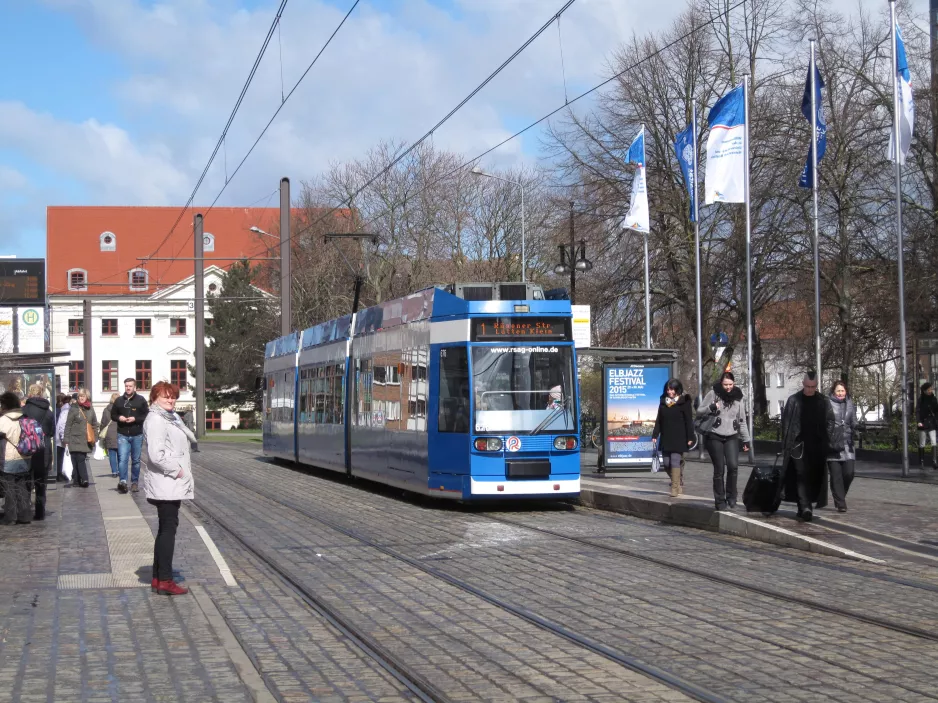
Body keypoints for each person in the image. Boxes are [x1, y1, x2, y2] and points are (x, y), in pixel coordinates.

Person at [143, 381, 195, 596]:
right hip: (166, 482)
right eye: (165, 396)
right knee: (168, 530)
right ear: (155, 398)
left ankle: (158, 577)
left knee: (166, 528)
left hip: (169, 484)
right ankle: (165, 579)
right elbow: (156, 456)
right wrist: (178, 471)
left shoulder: (169, 417)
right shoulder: (156, 419)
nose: (171, 400)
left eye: (173, 396)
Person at [779, 371, 834, 522]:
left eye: (813, 386)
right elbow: (786, 423)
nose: (810, 389)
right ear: (803, 384)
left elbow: (830, 420)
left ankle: (802, 506)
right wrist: (786, 444)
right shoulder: (794, 400)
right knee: (800, 474)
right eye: (808, 386)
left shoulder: (823, 401)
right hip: (798, 444)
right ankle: (805, 507)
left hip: (817, 445)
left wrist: (826, 438)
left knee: (812, 476)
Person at [699, 372, 751, 510]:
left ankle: (731, 497)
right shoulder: (713, 394)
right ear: (721, 384)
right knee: (719, 468)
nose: (728, 387)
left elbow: (742, 421)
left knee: (733, 466)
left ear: (734, 384)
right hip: (714, 435)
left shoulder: (739, 397)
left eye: (730, 384)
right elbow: (699, 411)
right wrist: (711, 407)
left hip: (732, 435)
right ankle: (720, 500)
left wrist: (746, 440)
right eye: (725, 384)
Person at [651, 379, 695, 497]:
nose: (669, 392)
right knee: (666, 463)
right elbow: (659, 420)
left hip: (679, 437)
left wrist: (690, 436)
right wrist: (655, 434)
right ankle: (678, 478)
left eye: (672, 389)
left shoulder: (684, 402)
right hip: (666, 437)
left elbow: (688, 421)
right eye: (668, 389)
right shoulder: (663, 402)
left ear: (677, 389)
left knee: (674, 461)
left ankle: (675, 488)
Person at [23, 384, 55, 521]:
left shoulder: (24, 410)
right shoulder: (48, 412)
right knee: (41, 483)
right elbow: (52, 432)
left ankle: (25, 512)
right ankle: (40, 513)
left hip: (27, 449)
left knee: (26, 482)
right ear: (42, 393)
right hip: (44, 450)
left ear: (29, 393)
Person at [112, 378, 149, 494]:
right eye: (126, 386)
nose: (128, 388)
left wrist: (135, 419)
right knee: (122, 459)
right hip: (122, 434)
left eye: (130, 386)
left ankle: (134, 482)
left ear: (135, 387)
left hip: (137, 434)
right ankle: (123, 482)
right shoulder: (118, 401)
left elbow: (146, 415)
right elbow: (113, 415)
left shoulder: (141, 400)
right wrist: (119, 418)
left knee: (136, 460)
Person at [0, 392, 32, 524]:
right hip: (25, 457)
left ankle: (11, 517)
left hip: (8, 459)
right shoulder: (24, 417)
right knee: (22, 487)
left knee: (9, 488)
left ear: (5, 405)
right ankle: (24, 516)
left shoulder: (3, 421)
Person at [827, 380, 857, 513]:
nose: (840, 393)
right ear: (834, 391)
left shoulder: (850, 404)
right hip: (833, 444)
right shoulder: (827, 404)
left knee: (849, 473)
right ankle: (840, 503)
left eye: (843, 390)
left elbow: (853, 421)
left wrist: (859, 428)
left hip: (847, 444)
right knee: (836, 476)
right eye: (838, 390)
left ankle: (840, 496)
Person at [64, 388, 98, 488]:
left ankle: (84, 479)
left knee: (81, 458)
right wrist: (66, 439)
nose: (81, 398)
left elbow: (95, 424)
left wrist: (95, 437)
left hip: (85, 439)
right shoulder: (73, 409)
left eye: (83, 396)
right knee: (75, 459)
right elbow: (68, 425)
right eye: (79, 396)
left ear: (87, 397)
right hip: (74, 438)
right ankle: (78, 479)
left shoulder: (91, 409)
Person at [917, 382, 938, 469]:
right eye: (928, 389)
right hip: (922, 423)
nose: (930, 391)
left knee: (934, 442)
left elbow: (936, 411)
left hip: (932, 423)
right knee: (922, 443)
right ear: (924, 390)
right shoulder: (920, 399)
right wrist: (918, 421)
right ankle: (921, 462)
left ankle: (934, 461)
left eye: (931, 389)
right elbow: (917, 411)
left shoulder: (934, 399)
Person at [101, 393, 120, 477]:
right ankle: (120, 470)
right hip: (120, 433)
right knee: (121, 454)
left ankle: (114, 472)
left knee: (112, 454)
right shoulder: (121, 409)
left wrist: (101, 432)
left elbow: (103, 422)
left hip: (109, 434)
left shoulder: (106, 410)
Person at [55, 394, 70, 481]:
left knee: (60, 456)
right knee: (59, 456)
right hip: (59, 437)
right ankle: (58, 473)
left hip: (58, 437)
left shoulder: (62, 409)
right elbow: (62, 425)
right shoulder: (64, 410)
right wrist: (63, 437)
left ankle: (59, 473)